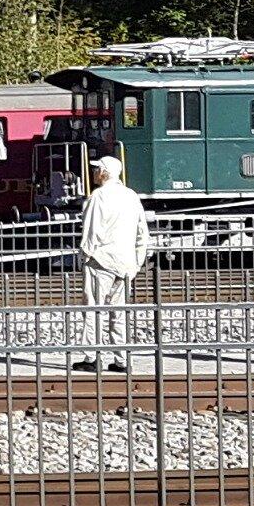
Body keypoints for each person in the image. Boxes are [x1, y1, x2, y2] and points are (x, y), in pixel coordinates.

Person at [75, 154, 150, 373]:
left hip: (101, 260)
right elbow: (141, 232)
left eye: (97, 169)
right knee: (120, 312)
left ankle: (91, 357)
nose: (94, 172)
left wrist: (85, 255)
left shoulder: (98, 196)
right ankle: (122, 360)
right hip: (126, 264)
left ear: (104, 172)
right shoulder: (131, 196)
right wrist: (137, 261)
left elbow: (91, 230)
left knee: (94, 310)